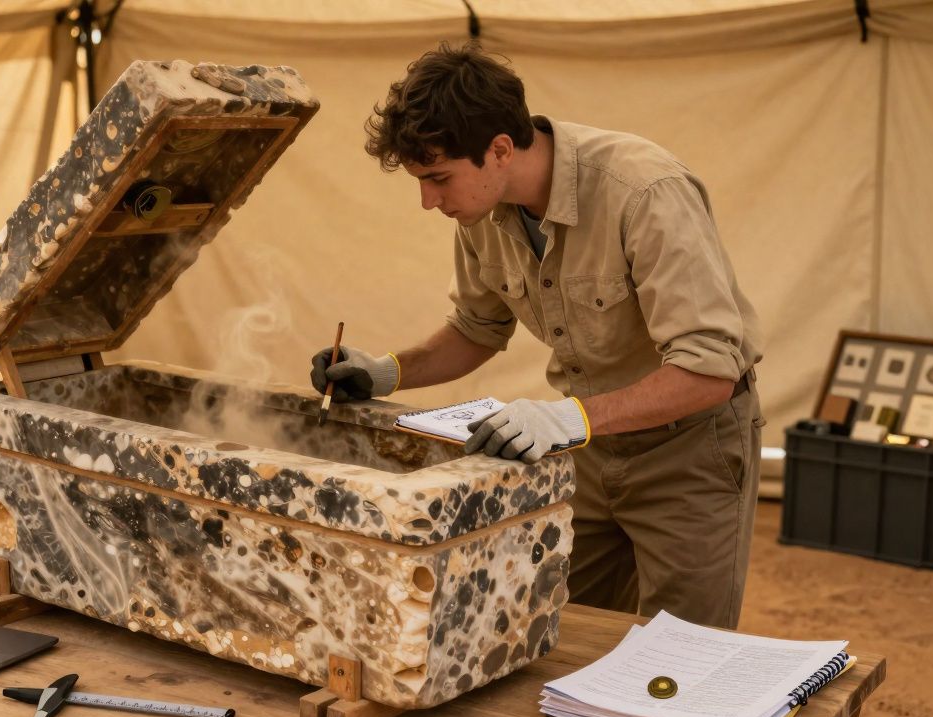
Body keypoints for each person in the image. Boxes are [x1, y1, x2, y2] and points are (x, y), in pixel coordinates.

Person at [309, 42, 764, 630]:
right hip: (590, 451)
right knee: (554, 629)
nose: (428, 201)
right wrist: (385, 372)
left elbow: (709, 372)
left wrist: (566, 421)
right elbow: (477, 329)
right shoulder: (482, 208)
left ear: (500, 149)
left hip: (690, 451)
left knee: (679, 658)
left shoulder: (644, 191)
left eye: (439, 178)